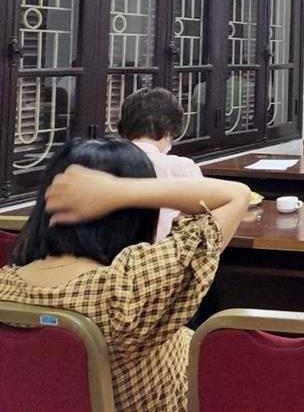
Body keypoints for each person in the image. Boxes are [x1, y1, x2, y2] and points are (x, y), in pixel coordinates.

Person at [0, 138, 250, 410]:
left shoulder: (5, 285)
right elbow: (235, 195)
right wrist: (118, 190)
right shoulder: (127, 289)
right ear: (134, 213)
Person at [117, 87, 202, 241]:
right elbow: (202, 219)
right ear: (169, 129)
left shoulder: (103, 162)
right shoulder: (182, 168)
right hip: (163, 253)